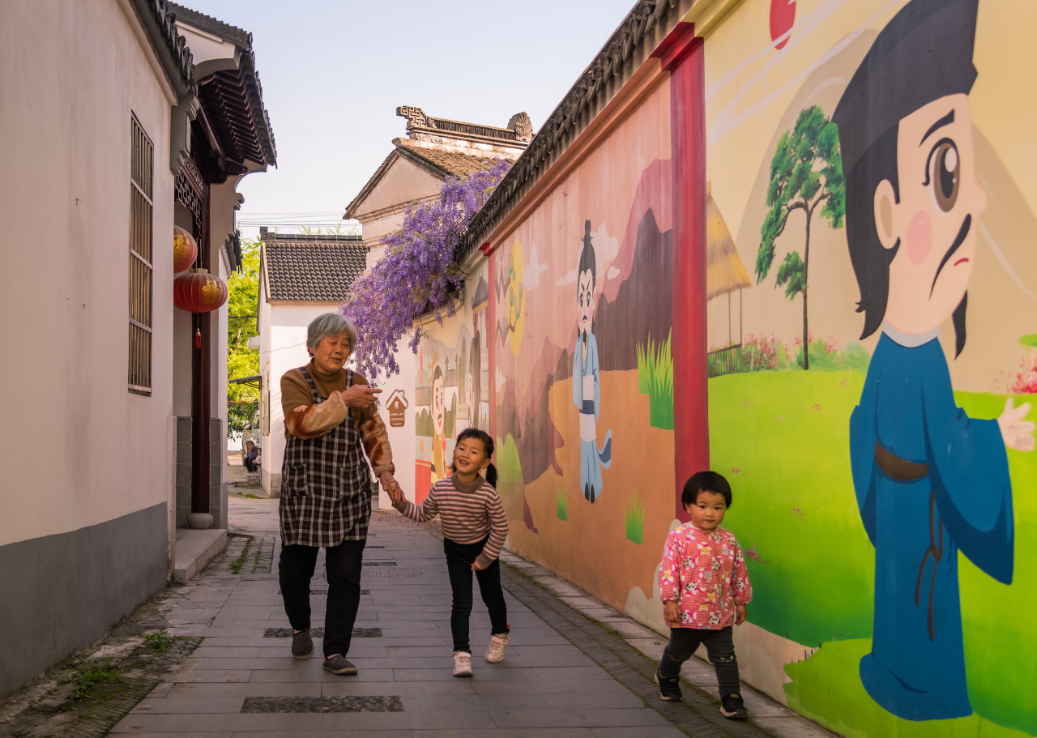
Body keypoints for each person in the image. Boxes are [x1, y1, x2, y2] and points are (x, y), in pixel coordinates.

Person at [833, 0, 1033, 719]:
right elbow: (944, 438)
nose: (975, 196)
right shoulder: (913, 352)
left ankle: (900, 673)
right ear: (884, 213)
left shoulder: (896, 347)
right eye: (947, 173)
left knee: (902, 603)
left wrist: (967, 440)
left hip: (903, 510)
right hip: (918, 515)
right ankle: (921, 688)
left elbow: (868, 429)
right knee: (919, 610)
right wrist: (994, 438)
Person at [277, 313, 399, 676]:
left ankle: (335, 652)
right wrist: (343, 399)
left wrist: (387, 474)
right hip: (304, 493)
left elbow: (373, 433)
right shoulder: (294, 379)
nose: (340, 350)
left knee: (346, 576)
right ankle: (300, 626)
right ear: (313, 346)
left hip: (348, 490)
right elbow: (301, 424)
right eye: (333, 342)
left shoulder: (357, 382)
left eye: (346, 344)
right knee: (294, 573)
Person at [387, 428, 509, 677]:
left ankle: (499, 635)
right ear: (454, 453)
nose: (465, 454)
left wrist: (485, 558)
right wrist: (399, 502)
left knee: (492, 597)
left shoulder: (488, 493)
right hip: (455, 551)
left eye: (474, 452)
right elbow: (422, 514)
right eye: (461, 448)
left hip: (484, 549)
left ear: (484, 462)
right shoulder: (441, 488)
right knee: (462, 602)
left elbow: (500, 528)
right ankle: (462, 655)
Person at [655, 471, 752, 720]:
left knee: (725, 657)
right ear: (688, 505)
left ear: (725, 508)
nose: (710, 513)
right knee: (678, 652)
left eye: (718, 507)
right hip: (686, 613)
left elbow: (738, 570)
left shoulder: (728, 539)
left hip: (719, 615)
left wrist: (741, 600)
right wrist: (670, 600)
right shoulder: (679, 537)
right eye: (703, 506)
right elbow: (669, 570)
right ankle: (666, 676)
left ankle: (731, 698)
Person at [571, 220, 612, 502]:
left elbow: (595, 374)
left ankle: (593, 483)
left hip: (590, 402)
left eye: (589, 296)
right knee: (585, 445)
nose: (585, 306)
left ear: (594, 300)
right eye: (581, 297)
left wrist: (593, 401)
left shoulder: (593, 343)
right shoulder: (578, 345)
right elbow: (577, 375)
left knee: (591, 441)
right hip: (582, 403)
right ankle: (587, 480)